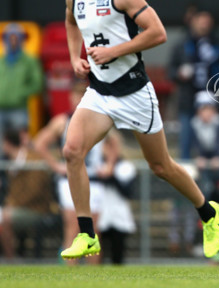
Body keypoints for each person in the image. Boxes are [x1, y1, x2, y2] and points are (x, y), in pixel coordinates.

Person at [59, 0, 219, 260]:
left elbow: (158, 33)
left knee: (161, 166)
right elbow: (71, 22)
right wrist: (75, 55)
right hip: (100, 92)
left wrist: (113, 51)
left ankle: (208, 213)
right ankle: (87, 234)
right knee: (72, 151)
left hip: (134, 92)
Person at [32, 80, 105, 265]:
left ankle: (94, 276)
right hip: (70, 179)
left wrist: (110, 165)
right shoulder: (63, 121)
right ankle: (69, 274)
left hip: (94, 180)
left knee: (94, 231)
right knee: (73, 227)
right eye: (75, 96)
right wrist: (56, 165)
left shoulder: (100, 119)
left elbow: (114, 145)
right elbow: (39, 143)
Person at [169, 10, 219, 160]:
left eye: (207, 22)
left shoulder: (218, 43)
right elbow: (171, 72)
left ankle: (216, 176)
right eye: (200, 21)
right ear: (193, 22)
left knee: (216, 139)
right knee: (186, 139)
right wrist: (180, 73)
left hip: (214, 98)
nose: (203, 25)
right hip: (188, 100)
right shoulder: (182, 44)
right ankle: (187, 170)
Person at [1, 129, 56, 259]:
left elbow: (35, 191)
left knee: (5, 218)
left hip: (36, 209)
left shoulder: (33, 160)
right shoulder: (11, 163)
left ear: (8, 144)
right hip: (16, 207)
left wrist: (12, 204)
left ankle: (11, 260)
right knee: (4, 216)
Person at [0, 23, 44, 157]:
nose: (12, 41)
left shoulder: (29, 61)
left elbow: (38, 83)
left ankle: (21, 177)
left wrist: (19, 94)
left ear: (20, 40)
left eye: (15, 38)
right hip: (1, 109)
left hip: (19, 110)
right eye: (10, 38)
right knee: (1, 147)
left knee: (20, 147)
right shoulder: (1, 61)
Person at [97, 129, 137, 265]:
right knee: (98, 256)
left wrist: (111, 176)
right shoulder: (97, 165)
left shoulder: (126, 167)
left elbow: (127, 192)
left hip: (119, 214)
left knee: (117, 256)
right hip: (99, 213)